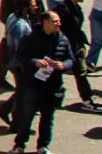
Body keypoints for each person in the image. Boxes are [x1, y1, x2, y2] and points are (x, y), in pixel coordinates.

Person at [11, 9, 74, 154]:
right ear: (45, 22)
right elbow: (20, 55)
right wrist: (34, 62)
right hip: (33, 84)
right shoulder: (31, 37)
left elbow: (71, 59)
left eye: (58, 21)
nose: (59, 24)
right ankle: (19, 145)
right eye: (55, 21)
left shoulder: (62, 39)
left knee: (48, 118)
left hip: (52, 86)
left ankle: (43, 146)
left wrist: (63, 65)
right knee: (27, 116)